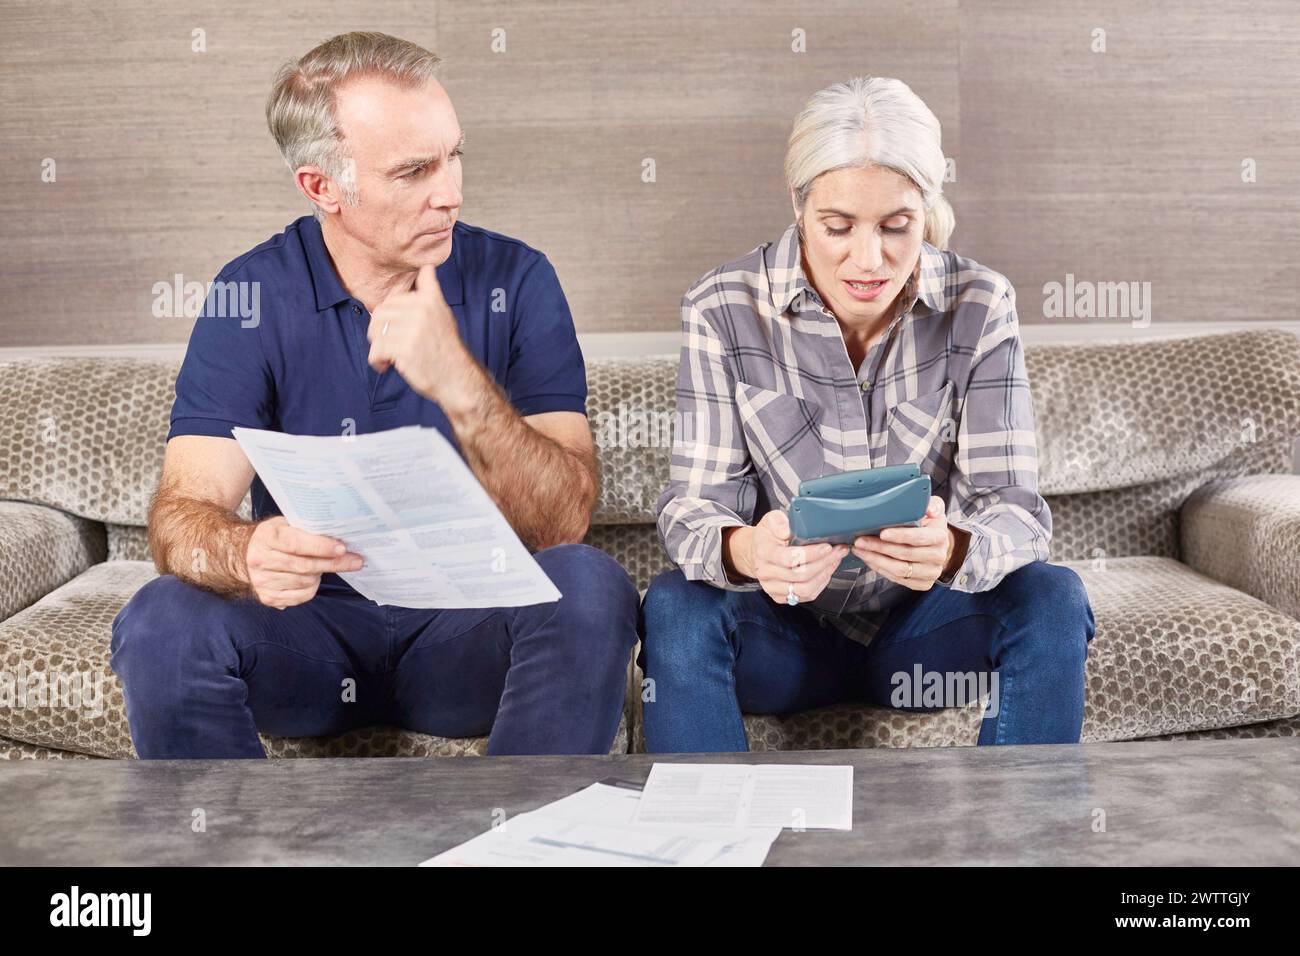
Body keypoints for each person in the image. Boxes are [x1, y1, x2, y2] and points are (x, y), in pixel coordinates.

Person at [110, 32, 638, 758]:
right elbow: (180, 518)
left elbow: (562, 525)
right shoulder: (250, 295)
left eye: (455, 155)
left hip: (467, 628)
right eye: (414, 171)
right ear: (321, 187)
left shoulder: (517, 280)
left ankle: (519, 843)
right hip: (310, 636)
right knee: (162, 616)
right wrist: (244, 550)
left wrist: (459, 383)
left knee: (590, 584)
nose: (450, 191)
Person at [641, 76, 1096, 753]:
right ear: (798, 205)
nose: (869, 258)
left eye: (896, 226)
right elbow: (696, 507)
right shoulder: (721, 306)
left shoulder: (980, 303)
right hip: (784, 641)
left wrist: (954, 549)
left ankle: (1021, 841)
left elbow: (1015, 509)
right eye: (838, 227)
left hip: (921, 640)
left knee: (1052, 598)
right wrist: (749, 550)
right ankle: (708, 841)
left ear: (927, 210)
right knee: (677, 604)